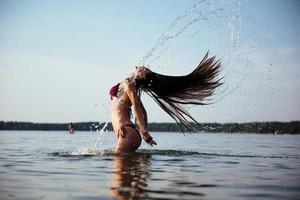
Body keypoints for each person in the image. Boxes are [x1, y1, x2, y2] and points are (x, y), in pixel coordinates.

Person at [110, 52, 222, 153]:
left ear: (142, 76)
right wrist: (143, 131)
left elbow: (137, 107)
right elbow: (143, 110)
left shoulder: (129, 84)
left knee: (119, 168)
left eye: (144, 69)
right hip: (127, 132)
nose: (138, 67)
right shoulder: (131, 87)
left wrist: (144, 131)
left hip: (127, 132)